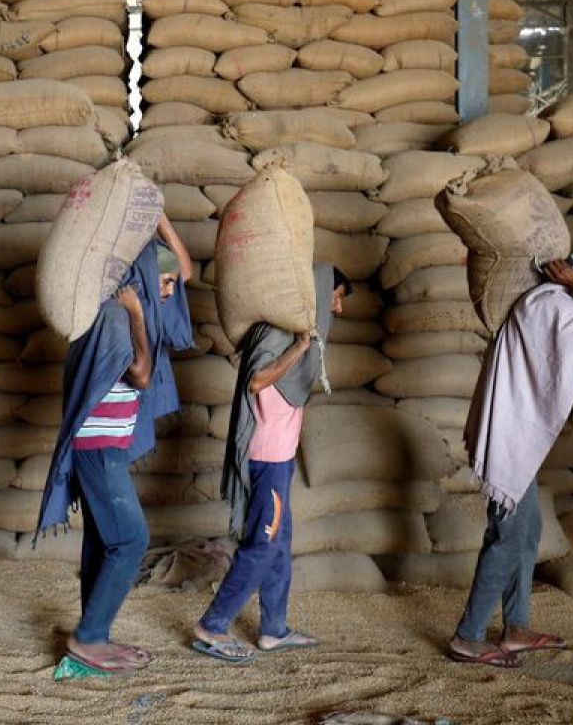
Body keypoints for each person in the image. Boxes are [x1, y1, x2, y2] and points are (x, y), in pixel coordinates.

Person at [447, 249, 573, 668]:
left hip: (516, 440)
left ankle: (515, 628)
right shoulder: (548, 305)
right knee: (507, 536)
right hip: (508, 440)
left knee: (527, 529)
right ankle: (467, 636)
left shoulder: (560, 310)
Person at [36, 219, 194, 675]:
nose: (170, 291)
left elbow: (184, 272)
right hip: (98, 448)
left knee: (104, 537)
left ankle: (93, 630)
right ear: (144, 278)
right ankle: (88, 638)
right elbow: (141, 374)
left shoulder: (130, 306)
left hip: (107, 447)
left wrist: (161, 222)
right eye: (161, 282)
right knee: (131, 539)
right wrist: (139, 315)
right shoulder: (115, 316)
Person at [192, 264, 351, 664]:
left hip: (280, 459)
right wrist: (299, 346)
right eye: (338, 296)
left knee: (279, 545)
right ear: (322, 290)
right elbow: (257, 382)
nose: (338, 307)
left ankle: (273, 630)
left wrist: (304, 344)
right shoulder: (281, 336)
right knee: (262, 544)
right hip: (265, 459)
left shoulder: (295, 334)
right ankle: (213, 624)